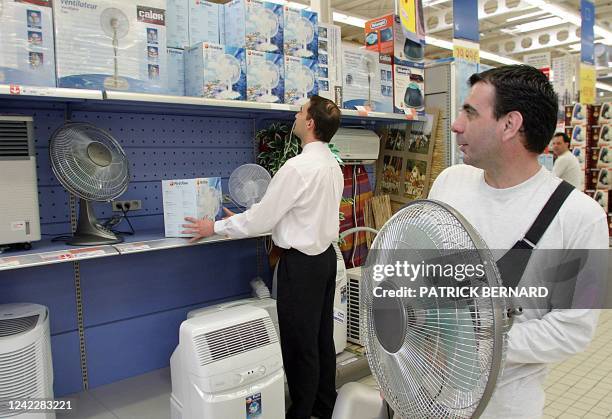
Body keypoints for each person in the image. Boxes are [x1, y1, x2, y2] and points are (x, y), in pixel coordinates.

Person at [428, 65, 608, 418]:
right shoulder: (450, 182)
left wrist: (475, 344)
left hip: (504, 407)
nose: (455, 124)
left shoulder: (580, 217)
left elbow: (573, 330)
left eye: (470, 112)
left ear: (509, 125)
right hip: (425, 392)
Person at [182, 95, 344, 419]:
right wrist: (247, 215)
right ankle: (323, 407)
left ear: (310, 123)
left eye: (300, 112)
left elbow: (263, 221)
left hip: (300, 265)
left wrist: (213, 225)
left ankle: (301, 412)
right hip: (325, 259)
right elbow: (293, 212)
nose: (296, 116)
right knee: (321, 340)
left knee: (300, 346)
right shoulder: (332, 165)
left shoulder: (297, 167)